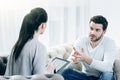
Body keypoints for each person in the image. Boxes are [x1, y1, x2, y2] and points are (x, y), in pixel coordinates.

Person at [59, 15, 116, 80]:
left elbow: (107, 67)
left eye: (97, 30)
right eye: (91, 28)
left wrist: (86, 59)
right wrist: (75, 62)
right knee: (65, 72)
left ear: (104, 32)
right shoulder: (81, 40)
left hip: (102, 77)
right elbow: (68, 65)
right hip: (85, 77)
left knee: (108, 74)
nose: (92, 32)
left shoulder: (109, 43)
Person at [4, 7, 48, 76]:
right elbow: (40, 78)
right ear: (43, 25)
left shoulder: (16, 46)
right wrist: (50, 72)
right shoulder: (39, 48)